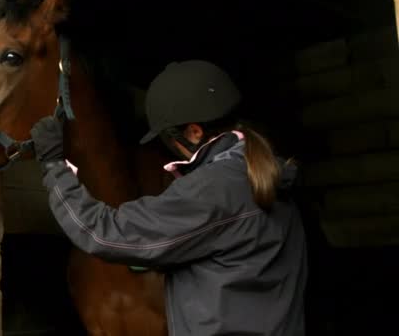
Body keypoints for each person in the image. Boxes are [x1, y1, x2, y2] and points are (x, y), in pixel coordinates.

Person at [30, 60, 307, 336]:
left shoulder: (214, 187)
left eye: (167, 138)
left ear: (194, 132)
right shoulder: (269, 176)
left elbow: (105, 233)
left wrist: (54, 167)